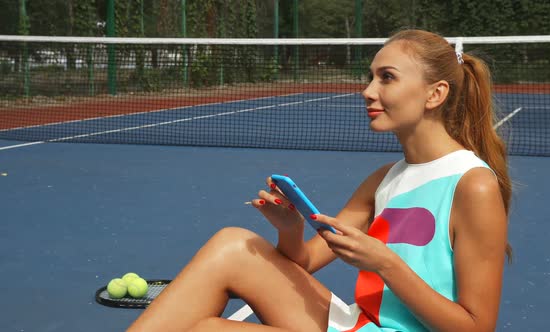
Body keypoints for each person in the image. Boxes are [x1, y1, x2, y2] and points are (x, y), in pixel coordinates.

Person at [128, 29, 511, 332]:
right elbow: (306, 261)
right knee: (235, 243)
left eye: (387, 78)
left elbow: (476, 327)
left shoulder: (472, 185)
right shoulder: (383, 180)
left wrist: (386, 264)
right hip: (363, 325)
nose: (368, 91)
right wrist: (291, 230)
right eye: (371, 77)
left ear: (435, 94)